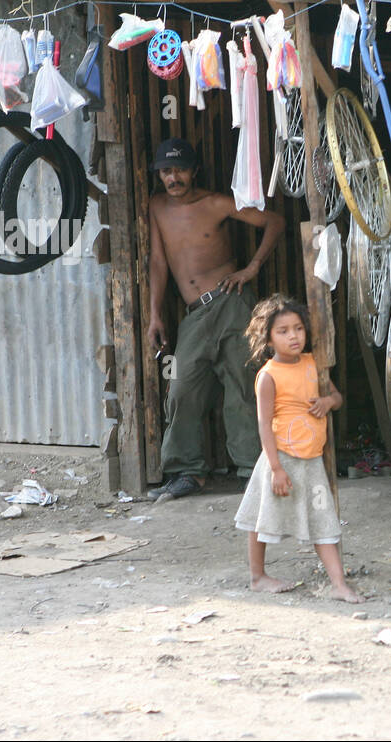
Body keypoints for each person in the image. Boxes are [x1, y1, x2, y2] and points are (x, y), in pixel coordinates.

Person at [145, 138, 286, 501]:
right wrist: (154, 314)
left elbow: (274, 220)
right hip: (194, 314)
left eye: (179, 170)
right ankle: (186, 472)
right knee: (180, 387)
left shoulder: (217, 203)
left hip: (233, 303)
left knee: (243, 386)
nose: (172, 177)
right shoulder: (156, 206)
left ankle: (253, 471)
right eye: (166, 171)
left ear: (194, 171)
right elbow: (159, 262)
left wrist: (252, 267)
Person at [235, 295, 362, 603]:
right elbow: (264, 425)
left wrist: (327, 402)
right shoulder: (268, 376)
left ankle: (338, 584)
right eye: (283, 331)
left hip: (311, 461)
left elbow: (337, 397)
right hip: (281, 461)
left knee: (323, 520)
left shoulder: (313, 364)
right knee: (260, 517)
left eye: (298, 328)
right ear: (268, 337)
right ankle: (258, 577)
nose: (293, 336)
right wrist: (276, 469)